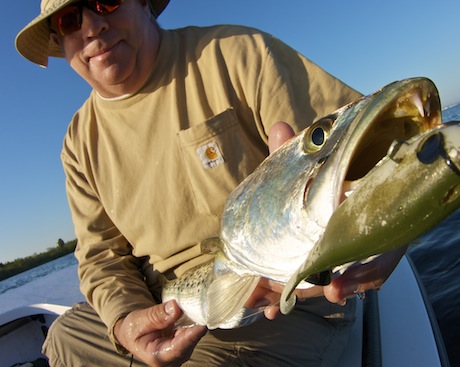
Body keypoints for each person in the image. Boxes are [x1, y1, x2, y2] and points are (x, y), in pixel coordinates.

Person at [15, 1, 406, 366]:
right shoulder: (79, 142)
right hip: (168, 304)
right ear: (58, 42)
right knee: (65, 336)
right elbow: (101, 256)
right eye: (69, 20)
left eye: (107, 2)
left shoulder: (237, 53)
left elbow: (372, 147)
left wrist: (393, 226)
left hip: (281, 300)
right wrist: (128, 321)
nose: (93, 26)